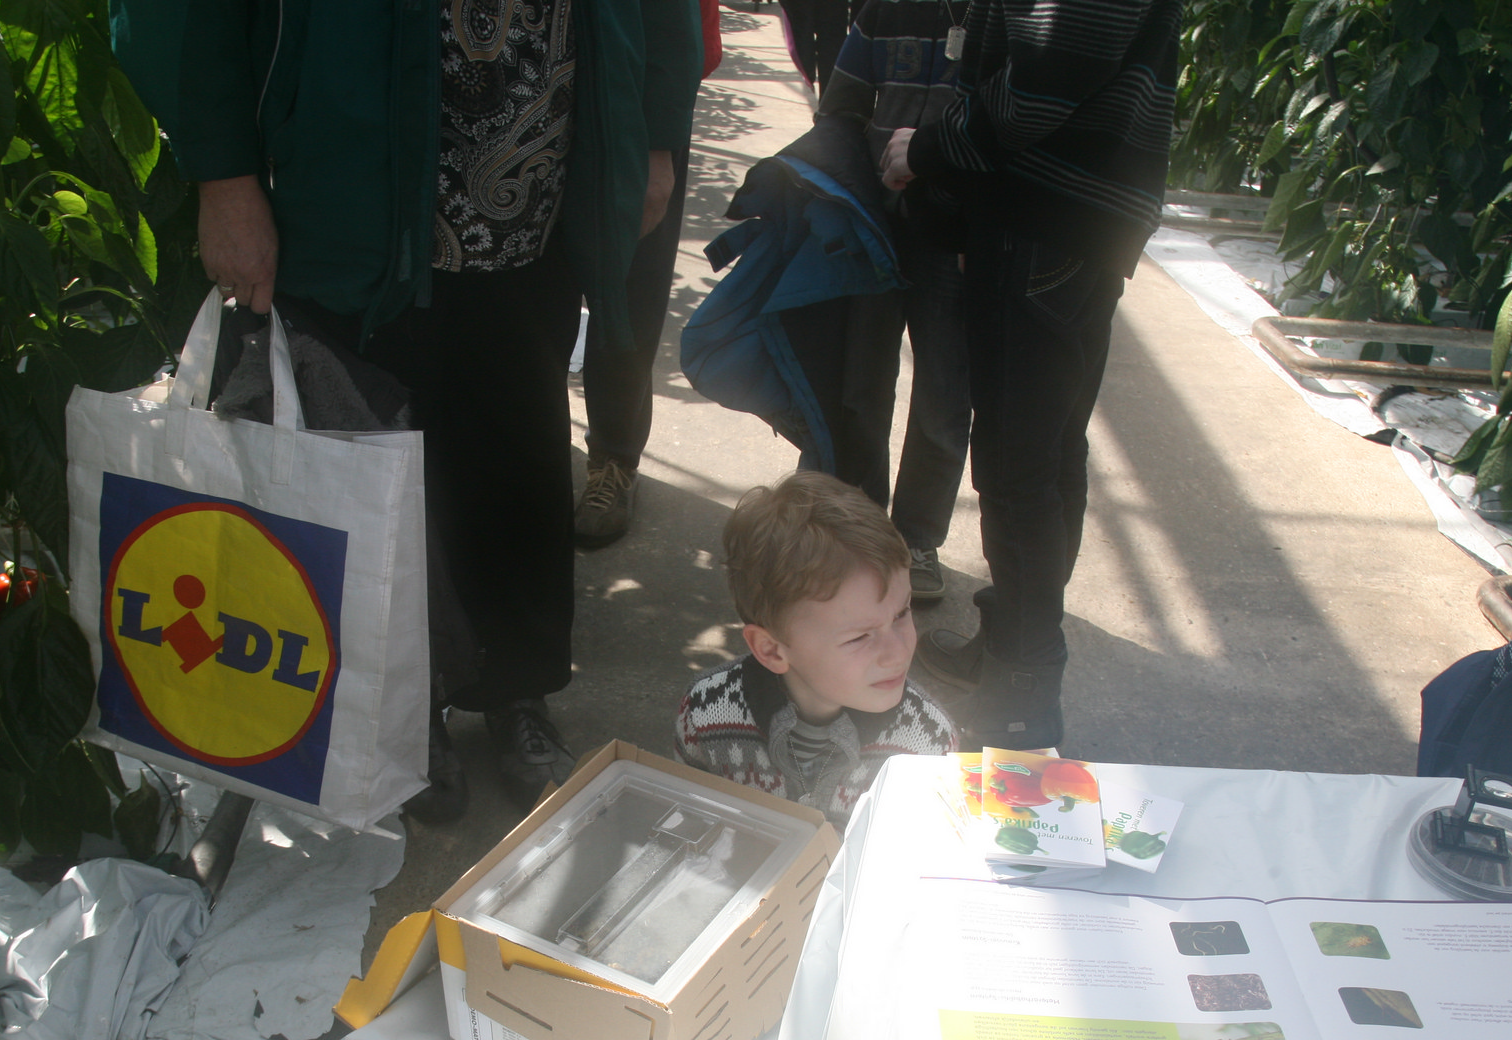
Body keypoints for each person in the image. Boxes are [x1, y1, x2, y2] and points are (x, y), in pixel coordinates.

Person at [112, 0, 701, 818]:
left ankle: (514, 687)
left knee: (520, 448)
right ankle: (401, 708)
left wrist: (657, 134)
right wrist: (225, 175)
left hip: (535, 196)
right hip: (355, 191)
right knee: (374, 467)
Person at [875, 0, 1182, 750]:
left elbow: (1042, 87)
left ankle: (1023, 691)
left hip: (1045, 224)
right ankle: (1015, 639)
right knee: (1045, 452)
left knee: (1019, 468)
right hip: (1064, 224)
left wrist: (931, 149)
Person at [676, 472, 956, 824]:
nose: (898, 652)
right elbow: (686, 818)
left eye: (902, 614)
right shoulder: (704, 714)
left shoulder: (928, 742)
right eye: (859, 637)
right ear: (772, 650)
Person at [811, 0, 975, 604]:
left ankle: (917, 540)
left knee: (945, 395)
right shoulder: (887, 11)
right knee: (860, 385)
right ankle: (857, 529)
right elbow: (841, 109)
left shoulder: (1001, 18)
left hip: (954, 237)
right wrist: (845, 197)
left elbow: (1006, 124)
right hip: (876, 228)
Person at [576, 0, 724, 548]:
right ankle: (526, 445)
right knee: (528, 297)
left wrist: (659, 146)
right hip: (514, 111)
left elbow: (673, 24)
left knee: (629, 299)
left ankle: (613, 459)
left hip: (627, 108)